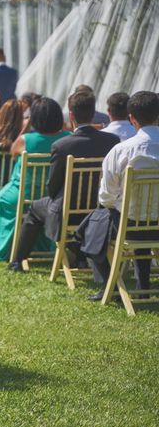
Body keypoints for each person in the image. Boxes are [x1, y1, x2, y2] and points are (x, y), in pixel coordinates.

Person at [7, 91, 120, 272]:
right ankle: (79, 254)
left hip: (67, 209)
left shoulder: (63, 146)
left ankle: (17, 261)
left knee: (36, 209)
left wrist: (54, 198)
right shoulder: (113, 141)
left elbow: (53, 185)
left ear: (72, 115)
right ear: (93, 113)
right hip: (99, 209)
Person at [76, 91, 159, 301]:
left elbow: (106, 197)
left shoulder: (121, 151)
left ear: (132, 118)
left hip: (129, 226)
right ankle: (142, 285)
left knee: (91, 225)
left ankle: (110, 284)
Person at [0, 97, 71, 261]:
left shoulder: (25, 141)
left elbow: (12, 152)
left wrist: (26, 127)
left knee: (3, 197)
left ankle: (2, 248)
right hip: (53, 196)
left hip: (22, 195)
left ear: (34, 119)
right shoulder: (67, 139)